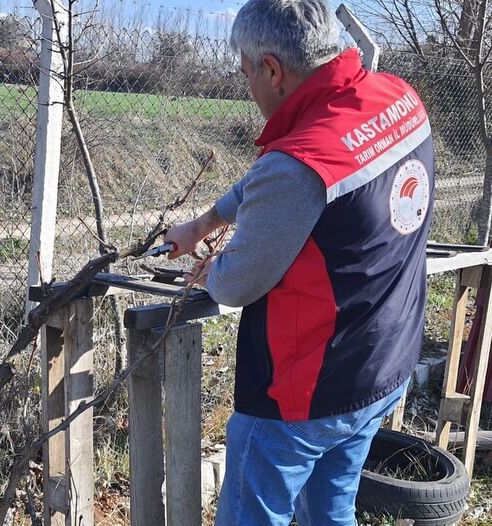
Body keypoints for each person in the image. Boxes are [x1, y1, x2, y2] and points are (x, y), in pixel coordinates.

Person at [164, 1, 435, 524]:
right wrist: (204, 223)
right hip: (383, 363)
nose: (248, 86)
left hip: (305, 393)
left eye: (247, 73)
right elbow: (276, 182)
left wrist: (208, 271)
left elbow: (238, 282)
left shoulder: (297, 164)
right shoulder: (398, 98)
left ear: (271, 69)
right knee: (330, 511)